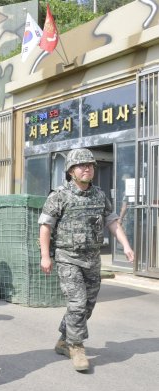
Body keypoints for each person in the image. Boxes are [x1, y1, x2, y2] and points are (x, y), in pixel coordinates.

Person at [39, 148, 135, 372]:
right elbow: (45, 226)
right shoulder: (59, 196)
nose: (87, 168)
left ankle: (64, 338)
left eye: (90, 165)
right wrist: (45, 256)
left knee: (88, 306)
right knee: (77, 303)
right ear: (71, 171)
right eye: (81, 166)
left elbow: (112, 220)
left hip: (92, 259)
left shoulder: (99, 195)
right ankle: (76, 346)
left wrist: (126, 245)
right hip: (67, 258)